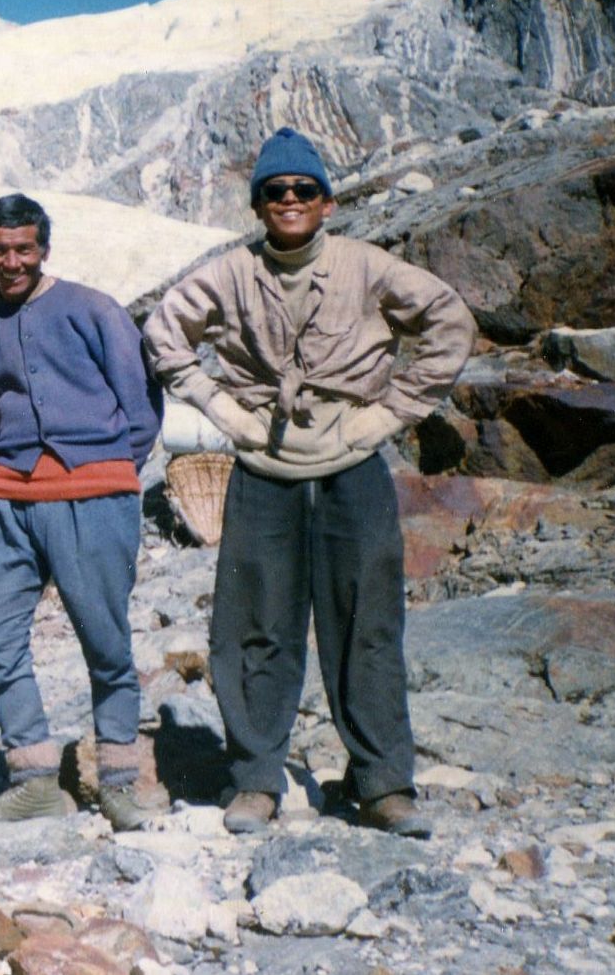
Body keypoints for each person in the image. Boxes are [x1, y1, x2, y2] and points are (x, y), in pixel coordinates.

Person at [144, 129, 474, 838]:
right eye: (274, 192)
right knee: (255, 626)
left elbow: (448, 320)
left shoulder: (366, 265)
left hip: (353, 464)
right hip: (264, 468)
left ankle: (383, 783)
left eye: (302, 190)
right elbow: (166, 330)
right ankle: (256, 779)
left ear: (326, 202)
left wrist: (388, 413)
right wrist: (219, 404)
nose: (289, 201)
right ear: (259, 206)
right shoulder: (231, 272)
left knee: (369, 625)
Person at [0, 193, 164, 831]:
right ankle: (36, 776)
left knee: (104, 640)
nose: (11, 262)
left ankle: (120, 781)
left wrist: (106, 470)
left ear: (44, 248)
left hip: (93, 495)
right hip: (7, 501)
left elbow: (142, 403)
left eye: (23, 249)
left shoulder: (92, 309)